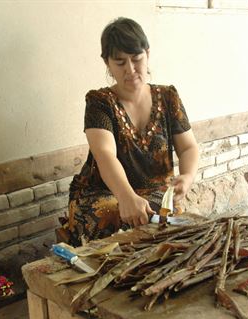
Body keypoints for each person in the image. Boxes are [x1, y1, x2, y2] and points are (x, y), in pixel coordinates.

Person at [64, 17, 199, 246]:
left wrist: (187, 176)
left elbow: (188, 147)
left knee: (167, 223)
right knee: (112, 216)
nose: (131, 70)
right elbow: (105, 155)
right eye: (120, 62)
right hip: (102, 193)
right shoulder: (99, 102)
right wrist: (126, 196)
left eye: (137, 59)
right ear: (107, 63)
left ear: (147, 54)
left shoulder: (168, 97)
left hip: (154, 193)